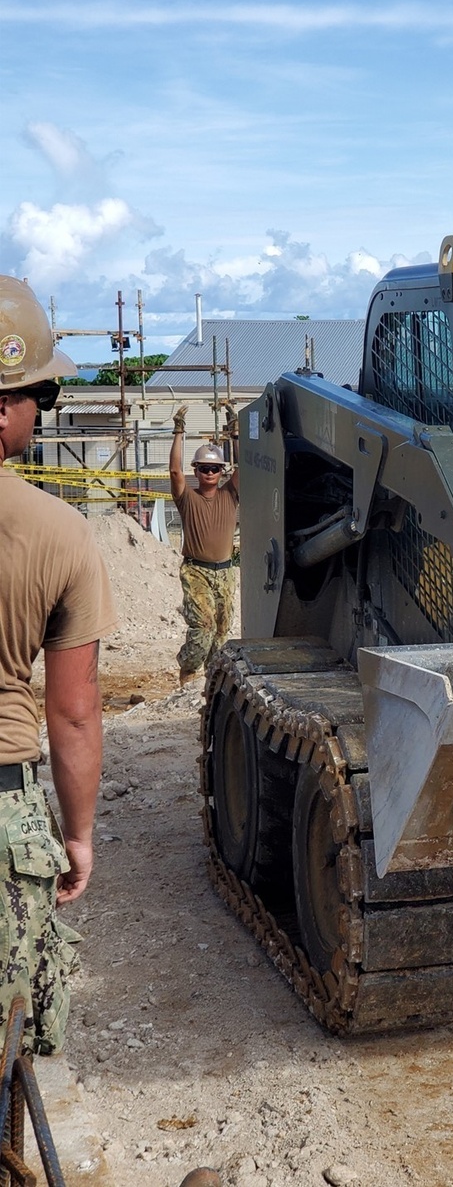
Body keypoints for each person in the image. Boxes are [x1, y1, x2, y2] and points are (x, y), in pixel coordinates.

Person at [0, 276, 116, 1054]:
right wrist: (78, 835)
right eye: (38, 392)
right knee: (13, 1048)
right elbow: (72, 712)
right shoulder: (59, 534)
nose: (42, 409)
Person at [169, 404, 239, 688]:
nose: (209, 472)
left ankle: (213, 684)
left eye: (214, 468)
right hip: (197, 571)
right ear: (196, 471)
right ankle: (188, 671)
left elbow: (245, 464)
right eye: (204, 468)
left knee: (222, 632)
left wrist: (235, 432)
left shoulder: (230, 495)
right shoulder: (188, 499)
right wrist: (178, 431)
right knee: (203, 627)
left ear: (221, 472)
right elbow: (174, 471)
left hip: (225, 571)